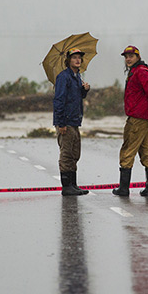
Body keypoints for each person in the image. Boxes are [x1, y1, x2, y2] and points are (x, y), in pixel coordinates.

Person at [112, 45, 148, 197]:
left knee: (128, 150)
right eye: (126, 56)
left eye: (131, 56)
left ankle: (123, 189)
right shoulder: (135, 72)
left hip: (138, 119)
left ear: (138, 57)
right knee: (146, 151)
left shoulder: (140, 72)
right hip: (143, 118)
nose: (128, 59)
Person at [53, 48, 90, 196]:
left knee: (75, 154)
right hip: (66, 122)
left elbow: (77, 97)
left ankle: (73, 185)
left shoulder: (76, 76)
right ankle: (66, 186)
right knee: (66, 154)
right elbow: (59, 100)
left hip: (75, 121)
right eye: (74, 57)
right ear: (68, 60)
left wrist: (84, 90)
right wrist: (61, 123)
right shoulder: (64, 77)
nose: (77, 60)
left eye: (79, 58)